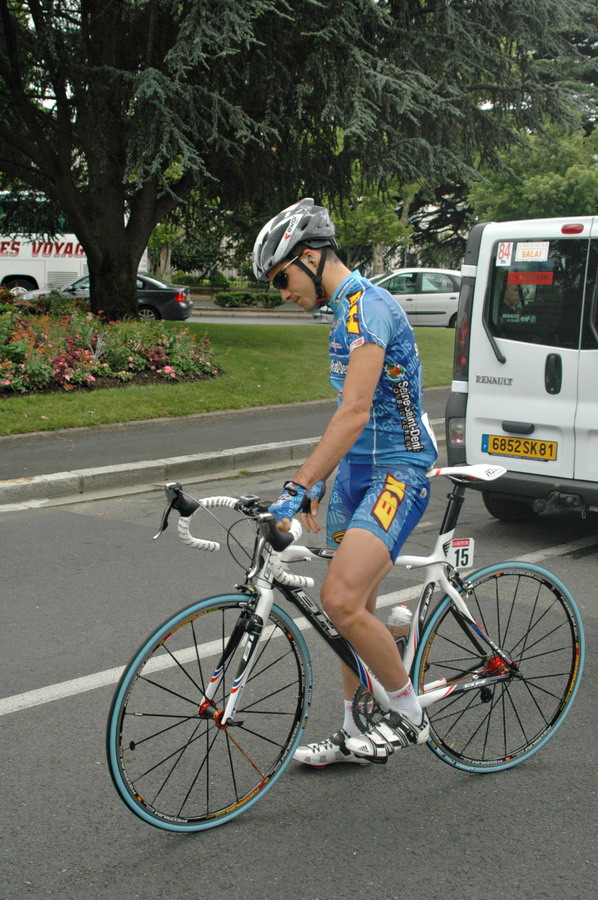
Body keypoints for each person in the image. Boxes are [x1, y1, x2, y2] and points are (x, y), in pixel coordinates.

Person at [252, 198, 438, 766]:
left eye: (281, 279)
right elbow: (352, 411)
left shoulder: (368, 308)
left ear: (310, 258)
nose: (282, 293)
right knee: (350, 612)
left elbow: (355, 411)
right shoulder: (342, 313)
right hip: (358, 473)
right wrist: (322, 480)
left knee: (339, 599)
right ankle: (355, 729)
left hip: (398, 470)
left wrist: (297, 485)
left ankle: (409, 714)